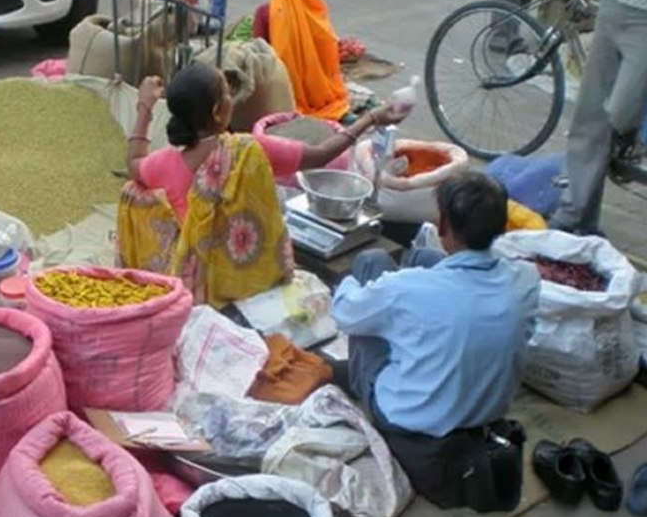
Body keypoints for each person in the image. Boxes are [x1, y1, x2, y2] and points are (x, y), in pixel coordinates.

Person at [118, 62, 405, 306]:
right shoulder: (250, 150)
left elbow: (134, 165)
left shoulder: (166, 164)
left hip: (198, 285)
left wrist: (145, 107)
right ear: (219, 111)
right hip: (252, 278)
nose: (233, 97)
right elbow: (322, 154)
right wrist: (371, 117)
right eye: (227, 93)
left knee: (134, 192)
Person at [332, 171, 540, 440]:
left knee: (370, 262)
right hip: (488, 411)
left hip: (405, 418)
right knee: (425, 256)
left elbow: (344, 314)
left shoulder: (407, 288)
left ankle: (365, 389)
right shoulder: (527, 279)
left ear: (442, 224)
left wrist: (347, 282)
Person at [550, 0, 647, 235]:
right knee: (591, 115)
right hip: (614, 2)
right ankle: (574, 214)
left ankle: (625, 149)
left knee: (620, 114)